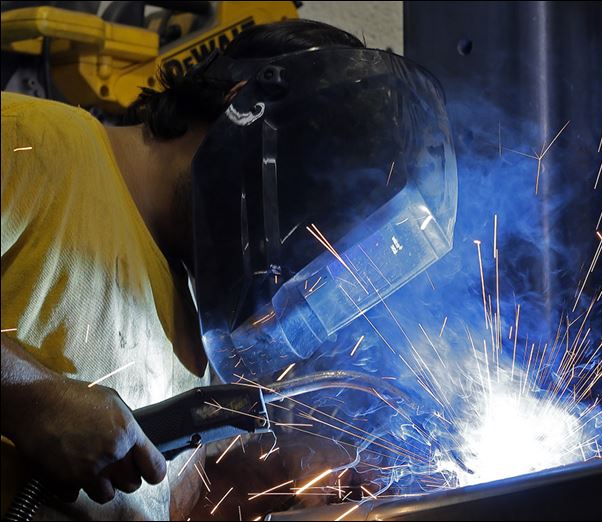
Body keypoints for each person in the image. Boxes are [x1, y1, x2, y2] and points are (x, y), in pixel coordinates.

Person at [1, 19, 367, 520]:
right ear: (244, 110)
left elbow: (149, 496)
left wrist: (269, 480)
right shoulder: (29, 140)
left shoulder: (195, 326)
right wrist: (31, 398)